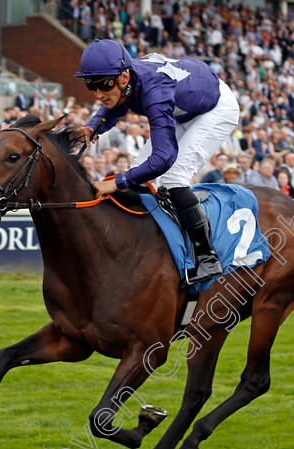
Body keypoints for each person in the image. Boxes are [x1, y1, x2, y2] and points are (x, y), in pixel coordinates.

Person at [75, 39, 240, 282]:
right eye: (91, 86)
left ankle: (208, 257)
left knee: (173, 178)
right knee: (138, 172)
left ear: (123, 78)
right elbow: (115, 103)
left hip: (214, 108)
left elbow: (163, 158)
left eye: (103, 85)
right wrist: (92, 127)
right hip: (183, 103)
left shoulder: (154, 91)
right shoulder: (125, 80)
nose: (98, 94)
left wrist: (119, 182)